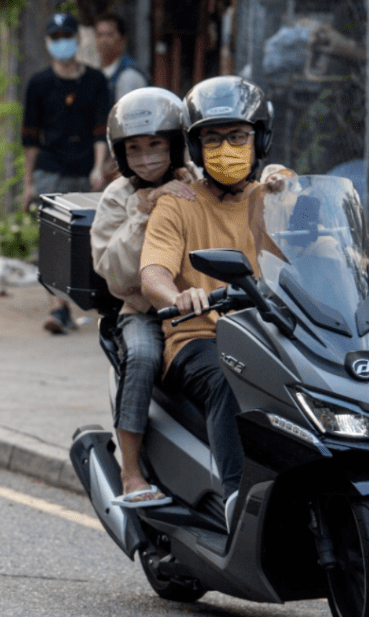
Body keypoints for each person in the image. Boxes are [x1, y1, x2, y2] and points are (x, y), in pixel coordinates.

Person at [139, 76, 291, 530]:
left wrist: (289, 190)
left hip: (268, 331)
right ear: (196, 146)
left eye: (238, 137)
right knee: (231, 378)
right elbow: (153, 275)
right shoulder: (178, 203)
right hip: (199, 336)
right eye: (212, 138)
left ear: (259, 139)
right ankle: (234, 497)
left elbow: (318, 245)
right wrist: (180, 296)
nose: (226, 147)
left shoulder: (272, 196)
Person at [90, 87, 194, 506]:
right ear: (120, 153)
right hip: (144, 311)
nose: (147, 156)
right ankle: (130, 472)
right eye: (135, 148)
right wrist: (144, 210)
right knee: (145, 356)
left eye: (156, 144)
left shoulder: (195, 182)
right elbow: (113, 272)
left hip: (199, 307)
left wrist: (279, 181)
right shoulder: (117, 197)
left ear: (175, 144)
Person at [22, 12, 111, 335]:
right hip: (51, 168)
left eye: (67, 37)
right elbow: (30, 137)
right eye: (56, 38)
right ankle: (57, 308)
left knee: (90, 241)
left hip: (86, 169)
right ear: (48, 43)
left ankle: (91, 301)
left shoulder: (96, 82)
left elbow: (102, 130)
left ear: (77, 39)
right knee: (52, 241)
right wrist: (29, 182)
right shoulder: (39, 84)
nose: (62, 43)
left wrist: (98, 167)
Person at [94, 12, 148, 104]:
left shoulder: (129, 76)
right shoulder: (99, 72)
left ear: (123, 40)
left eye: (109, 35)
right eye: (99, 35)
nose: (103, 41)